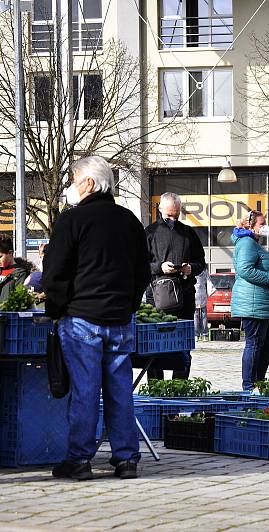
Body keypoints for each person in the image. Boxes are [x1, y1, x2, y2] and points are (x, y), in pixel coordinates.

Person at [42, 155, 150, 481]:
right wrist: (128, 305)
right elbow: (142, 273)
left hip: (82, 319)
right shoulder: (129, 220)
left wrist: (56, 311)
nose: (72, 187)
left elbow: (55, 273)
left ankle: (80, 460)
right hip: (120, 319)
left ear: (88, 182)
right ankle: (126, 458)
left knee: (85, 391)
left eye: (74, 180)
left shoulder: (72, 221)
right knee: (120, 390)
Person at [144, 193, 206, 379]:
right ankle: (156, 389)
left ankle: (179, 388)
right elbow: (139, 264)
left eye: (176, 215)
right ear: (160, 209)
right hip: (156, 297)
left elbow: (200, 262)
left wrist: (190, 268)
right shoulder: (150, 232)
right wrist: (159, 267)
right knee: (155, 346)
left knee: (183, 347)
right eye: (169, 215)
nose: (172, 219)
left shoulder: (188, 233)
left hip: (184, 296)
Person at [232, 211, 269, 391]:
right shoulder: (246, 243)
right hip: (253, 304)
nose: (265, 226)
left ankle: (258, 382)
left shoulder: (252, 243)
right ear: (250, 226)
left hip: (262, 303)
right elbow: (245, 269)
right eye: (262, 223)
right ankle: (249, 385)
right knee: (254, 343)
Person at [0, 238, 34, 303]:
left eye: (0, 256)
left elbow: (20, 300)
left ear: (10, 253)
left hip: (8, 312)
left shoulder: (21, 273)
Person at [195, 268, 209, 341]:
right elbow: (209, 281)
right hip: (203, 292)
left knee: (195, 315)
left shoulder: (194, 268)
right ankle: (205, 334)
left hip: (194, 292)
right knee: (204, 315)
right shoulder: (204, 270)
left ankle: (196, 335)